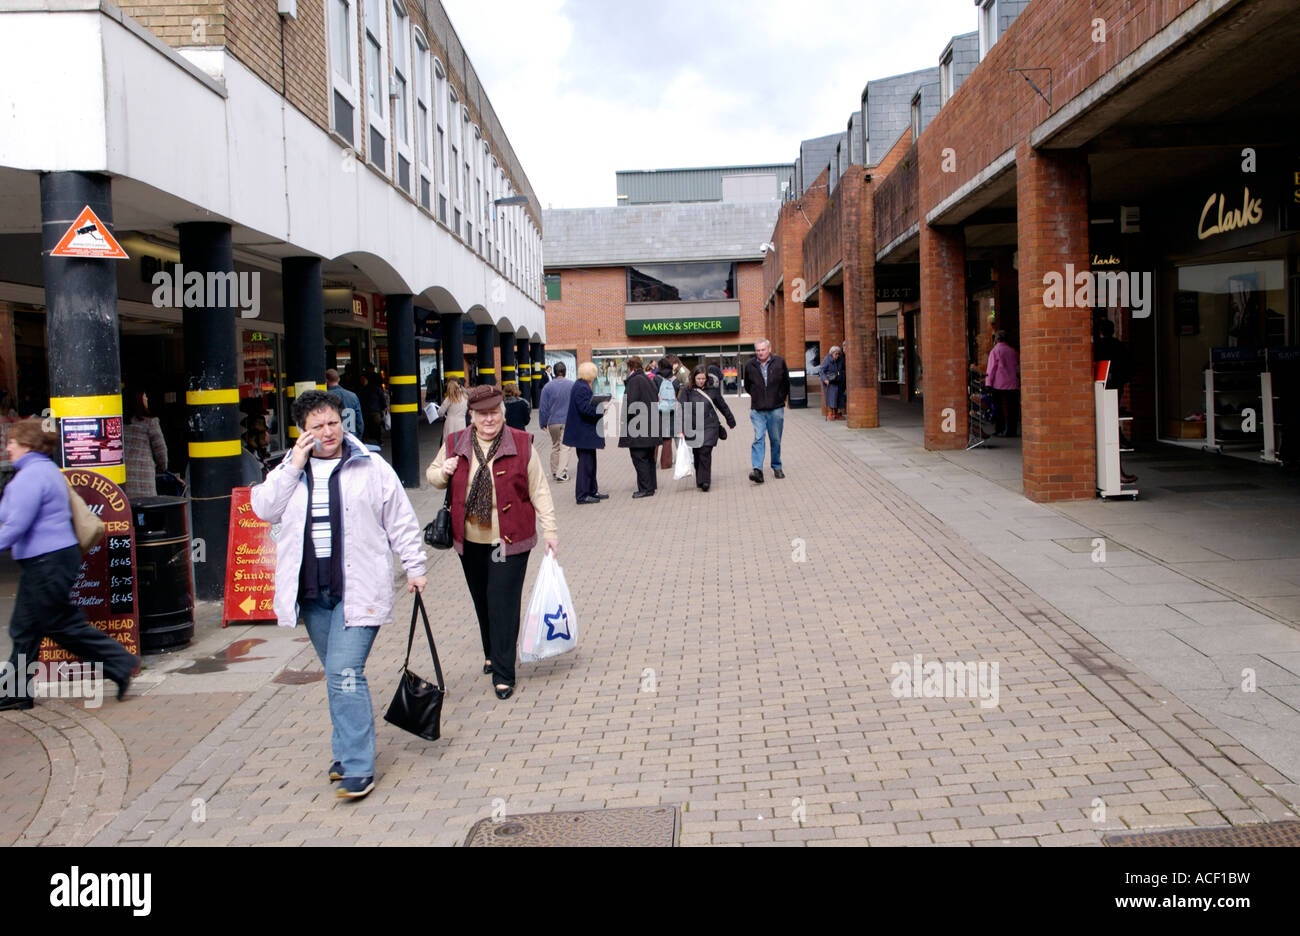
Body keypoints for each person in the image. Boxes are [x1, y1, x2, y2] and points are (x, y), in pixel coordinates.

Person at [250, 390, 426, 800]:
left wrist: (414, 566)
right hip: (313, 594)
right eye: (318, 426)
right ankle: (345, 754)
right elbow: (263, 508)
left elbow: (399, 517)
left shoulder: (371, 466)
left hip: (358, 589)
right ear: (302, 432)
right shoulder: (289, 471)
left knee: (345, 673)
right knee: (337, 676)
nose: (328, 432)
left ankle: (359, 768)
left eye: (333, 422)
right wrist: (292, 466)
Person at [426, 385, 557, 700]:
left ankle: (503, 672)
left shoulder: (522, 444)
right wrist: (443, 471)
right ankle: (490, 652)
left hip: (508, 540)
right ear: (471, 415)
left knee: (503, 602)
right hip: (469, 540)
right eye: (482, 414)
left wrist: (550, 530)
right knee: (482, 599)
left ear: (503, 412)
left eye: (494, 413)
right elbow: (432, 475)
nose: (489, 419)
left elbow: (539, 489)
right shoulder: (456, 443)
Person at [0, 419, 139, 711]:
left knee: (59, 625)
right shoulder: (45, 470)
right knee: (26, 628)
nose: (8, 445)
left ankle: (120, 662)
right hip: (53, 559)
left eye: (13, 441)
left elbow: (16, 525)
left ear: (27, 444)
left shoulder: (30, 477)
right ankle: (16, 691)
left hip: (46, 562)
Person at [678, 365, 736, 492]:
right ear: (693, 378)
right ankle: (700, 477)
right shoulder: (686, 391)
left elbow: (723, 406)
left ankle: (705, 481)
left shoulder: (713, 390)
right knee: (697, 453)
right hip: (693, 427)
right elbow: (681, 410)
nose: (701, 381)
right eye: (698, 378)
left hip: (710, 425)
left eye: (703, 378)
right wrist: (681, 428)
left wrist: (730, 420)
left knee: (705, 452)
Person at [742, 338, 790, 483]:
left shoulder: (779, 362)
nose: (760, 353)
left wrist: (779, 397)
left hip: (776, 408)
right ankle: (757, 470)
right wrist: (757, 397)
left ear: (769, 349)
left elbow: (786, 383)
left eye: (763, 350)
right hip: (757, 409)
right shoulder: (750, 365)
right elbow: (748, 386)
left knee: (775, 439)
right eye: (757, 350)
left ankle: (776, 466)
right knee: (758, 438)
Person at [619, 356, 664, 498]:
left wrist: (624, 420)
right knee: (649, 457)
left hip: (638, 427)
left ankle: (645, 489)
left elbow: (630, 405)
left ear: (630, 368)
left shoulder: (634, 381)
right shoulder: (647, 380)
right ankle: (651, 485)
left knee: (640, 457)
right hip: (650, 424)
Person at [562, 362, 607, 504]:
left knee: (590, 463)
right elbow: (585, 409)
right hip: (584, 433)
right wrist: (602, 409)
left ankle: (592, 490)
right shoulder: (582, 388)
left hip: (584, 433)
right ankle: (582, 494)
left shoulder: (581, 386)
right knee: (585, 464)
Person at [122, 391, 168, 499]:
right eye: (144, 396)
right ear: (139, 401)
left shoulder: (119, 423)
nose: (146, 399)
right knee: (147, 510)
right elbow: (161, 452)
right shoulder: (150, 423)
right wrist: (162, 468)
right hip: (143, 479)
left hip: (123, 481)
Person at [538, 361, 574, 482]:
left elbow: (543, 407)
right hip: (567, 420)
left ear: (553, 372)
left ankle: (554, 471)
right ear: (565, 371)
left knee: (555, 446)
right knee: (565, 447)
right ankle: (561, 473)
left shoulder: (547, 387)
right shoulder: (571, 385)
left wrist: (543, 422)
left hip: (552, 421)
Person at [984, 331, 1020, 438]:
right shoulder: (1013, 351)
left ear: (996, 339)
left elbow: (991, 368)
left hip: (998, 384)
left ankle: (1000, 428)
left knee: (998, 407)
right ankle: (1011, 430)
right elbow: (1018, 366)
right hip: (1013, 383)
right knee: (1013, 408)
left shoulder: (995, 351)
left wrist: (988, 383)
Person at [326, 368, 364, 438]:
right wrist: (358, 438)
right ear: (339, 379)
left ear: (326, 380)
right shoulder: (352, 396)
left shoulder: (324, 397)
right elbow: (359, 422)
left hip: (333, 437)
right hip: (351, 436)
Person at [358, 371, 386, 444]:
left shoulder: (372, 388)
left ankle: (377, 439)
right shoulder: (362, 389)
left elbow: (382, 398)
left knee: (375, 426)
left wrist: (384, 407)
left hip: (374, 410)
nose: (362, 381)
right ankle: (370, 439)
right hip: (368, 410)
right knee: (369, 426)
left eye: (363, 379)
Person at [818, 346, 846, 420]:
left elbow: (843, 368)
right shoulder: (827, 360)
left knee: (839, 398)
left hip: (838, 381)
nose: (837, 356)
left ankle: (837, 413)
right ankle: (830, 413)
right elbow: (821, 371)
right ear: (832, 354)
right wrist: (825, 379)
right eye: (836, 354)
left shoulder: (840, 360)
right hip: (830, 382)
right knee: (831, 398)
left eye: (838, 354)